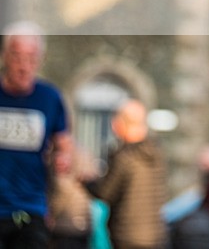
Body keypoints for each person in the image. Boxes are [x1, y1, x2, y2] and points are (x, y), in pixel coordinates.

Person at [0, 21, 71, 249]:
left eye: (31, 58)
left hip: (31, 207)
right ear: (4, 56)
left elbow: (64, 144)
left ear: (40, 60)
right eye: (17, 57)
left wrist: (63, 158)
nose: (24, 66)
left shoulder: (50, 98)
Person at [85, 100, 167, 249]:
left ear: (121, 123)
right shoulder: (155, 154)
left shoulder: (125, 157)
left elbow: (105, 193)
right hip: (154, 235)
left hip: (127, 235)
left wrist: (87, 182)